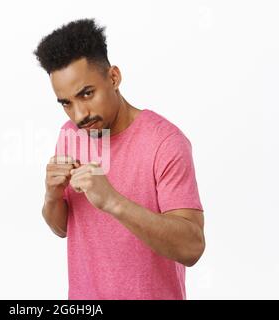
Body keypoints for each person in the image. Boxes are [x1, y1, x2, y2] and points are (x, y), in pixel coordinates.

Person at [34, 18, 205, 300]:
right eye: (66, 103)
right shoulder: (70, 135)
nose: (79, 115)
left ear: (113, 77)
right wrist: (52, 196)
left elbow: (191, 248)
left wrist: (113, 202)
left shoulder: (165, 143)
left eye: (86, 94)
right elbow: (63, 228)